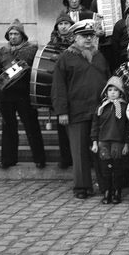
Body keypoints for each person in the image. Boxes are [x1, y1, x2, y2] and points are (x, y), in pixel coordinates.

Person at [52, 19, 111, 199]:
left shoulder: (99, 56)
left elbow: (108, 80)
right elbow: (58, 87)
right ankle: (82, 187)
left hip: (98, 112)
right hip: (76, 112)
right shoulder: (65, 58)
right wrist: (62, 111)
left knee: (101, 150)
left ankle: (105, 185)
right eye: (84, 36)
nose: (88, 39)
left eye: (91, 35)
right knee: (79, 152)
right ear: (75, 38)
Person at [0, 19, 46, 170]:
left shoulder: (32, 50)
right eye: (10, 34)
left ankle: (39, 159)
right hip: (5, 95)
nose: (13, 36)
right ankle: (8, 160)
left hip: (24, 94)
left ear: (22, 35)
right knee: (8, 127)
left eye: (16, 34)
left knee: (32, 126)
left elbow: (39, 69)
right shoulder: (2, 51)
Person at [90, 76, 129, 204]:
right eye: (110, 90)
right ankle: (108, 191)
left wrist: (126, 143)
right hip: (103, 141)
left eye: (116, 90)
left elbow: (127, 127)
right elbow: (95, 125)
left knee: (117, 167)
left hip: (118, 141)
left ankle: (117, 192)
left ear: (120, 92)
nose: (113, 92)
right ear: (106, 92)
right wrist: (94, 142)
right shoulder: (101, 107)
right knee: (106, 167)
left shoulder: (124, 107)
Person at [48, 14, 75, 168]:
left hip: (75, 87)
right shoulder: (51, 44)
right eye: (60, 24)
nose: (63, 26)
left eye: (66, 23)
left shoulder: (78, 42)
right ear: (56, 27)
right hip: (59, 87)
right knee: (61, 128)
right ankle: (66, 158)